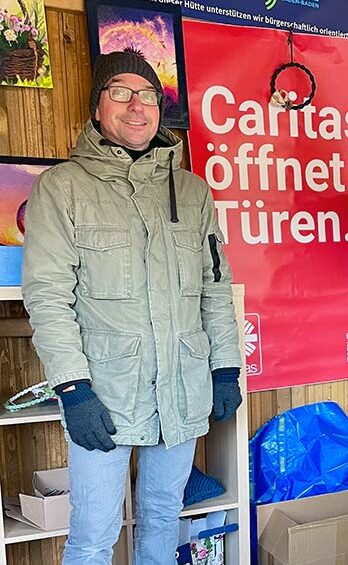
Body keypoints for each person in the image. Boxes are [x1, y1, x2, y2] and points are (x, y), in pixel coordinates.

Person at [21, 50, 243, 565]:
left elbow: (214, 286)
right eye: (121, 92)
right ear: (98, 106)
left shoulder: (192, 192)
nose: (136, 105)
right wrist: (73, 389)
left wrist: (225, 368)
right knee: (93, 535)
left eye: (147, 95)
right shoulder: (62, 187)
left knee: (163, 516)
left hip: (182, 386)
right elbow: (48, 297)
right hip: (105, 392)